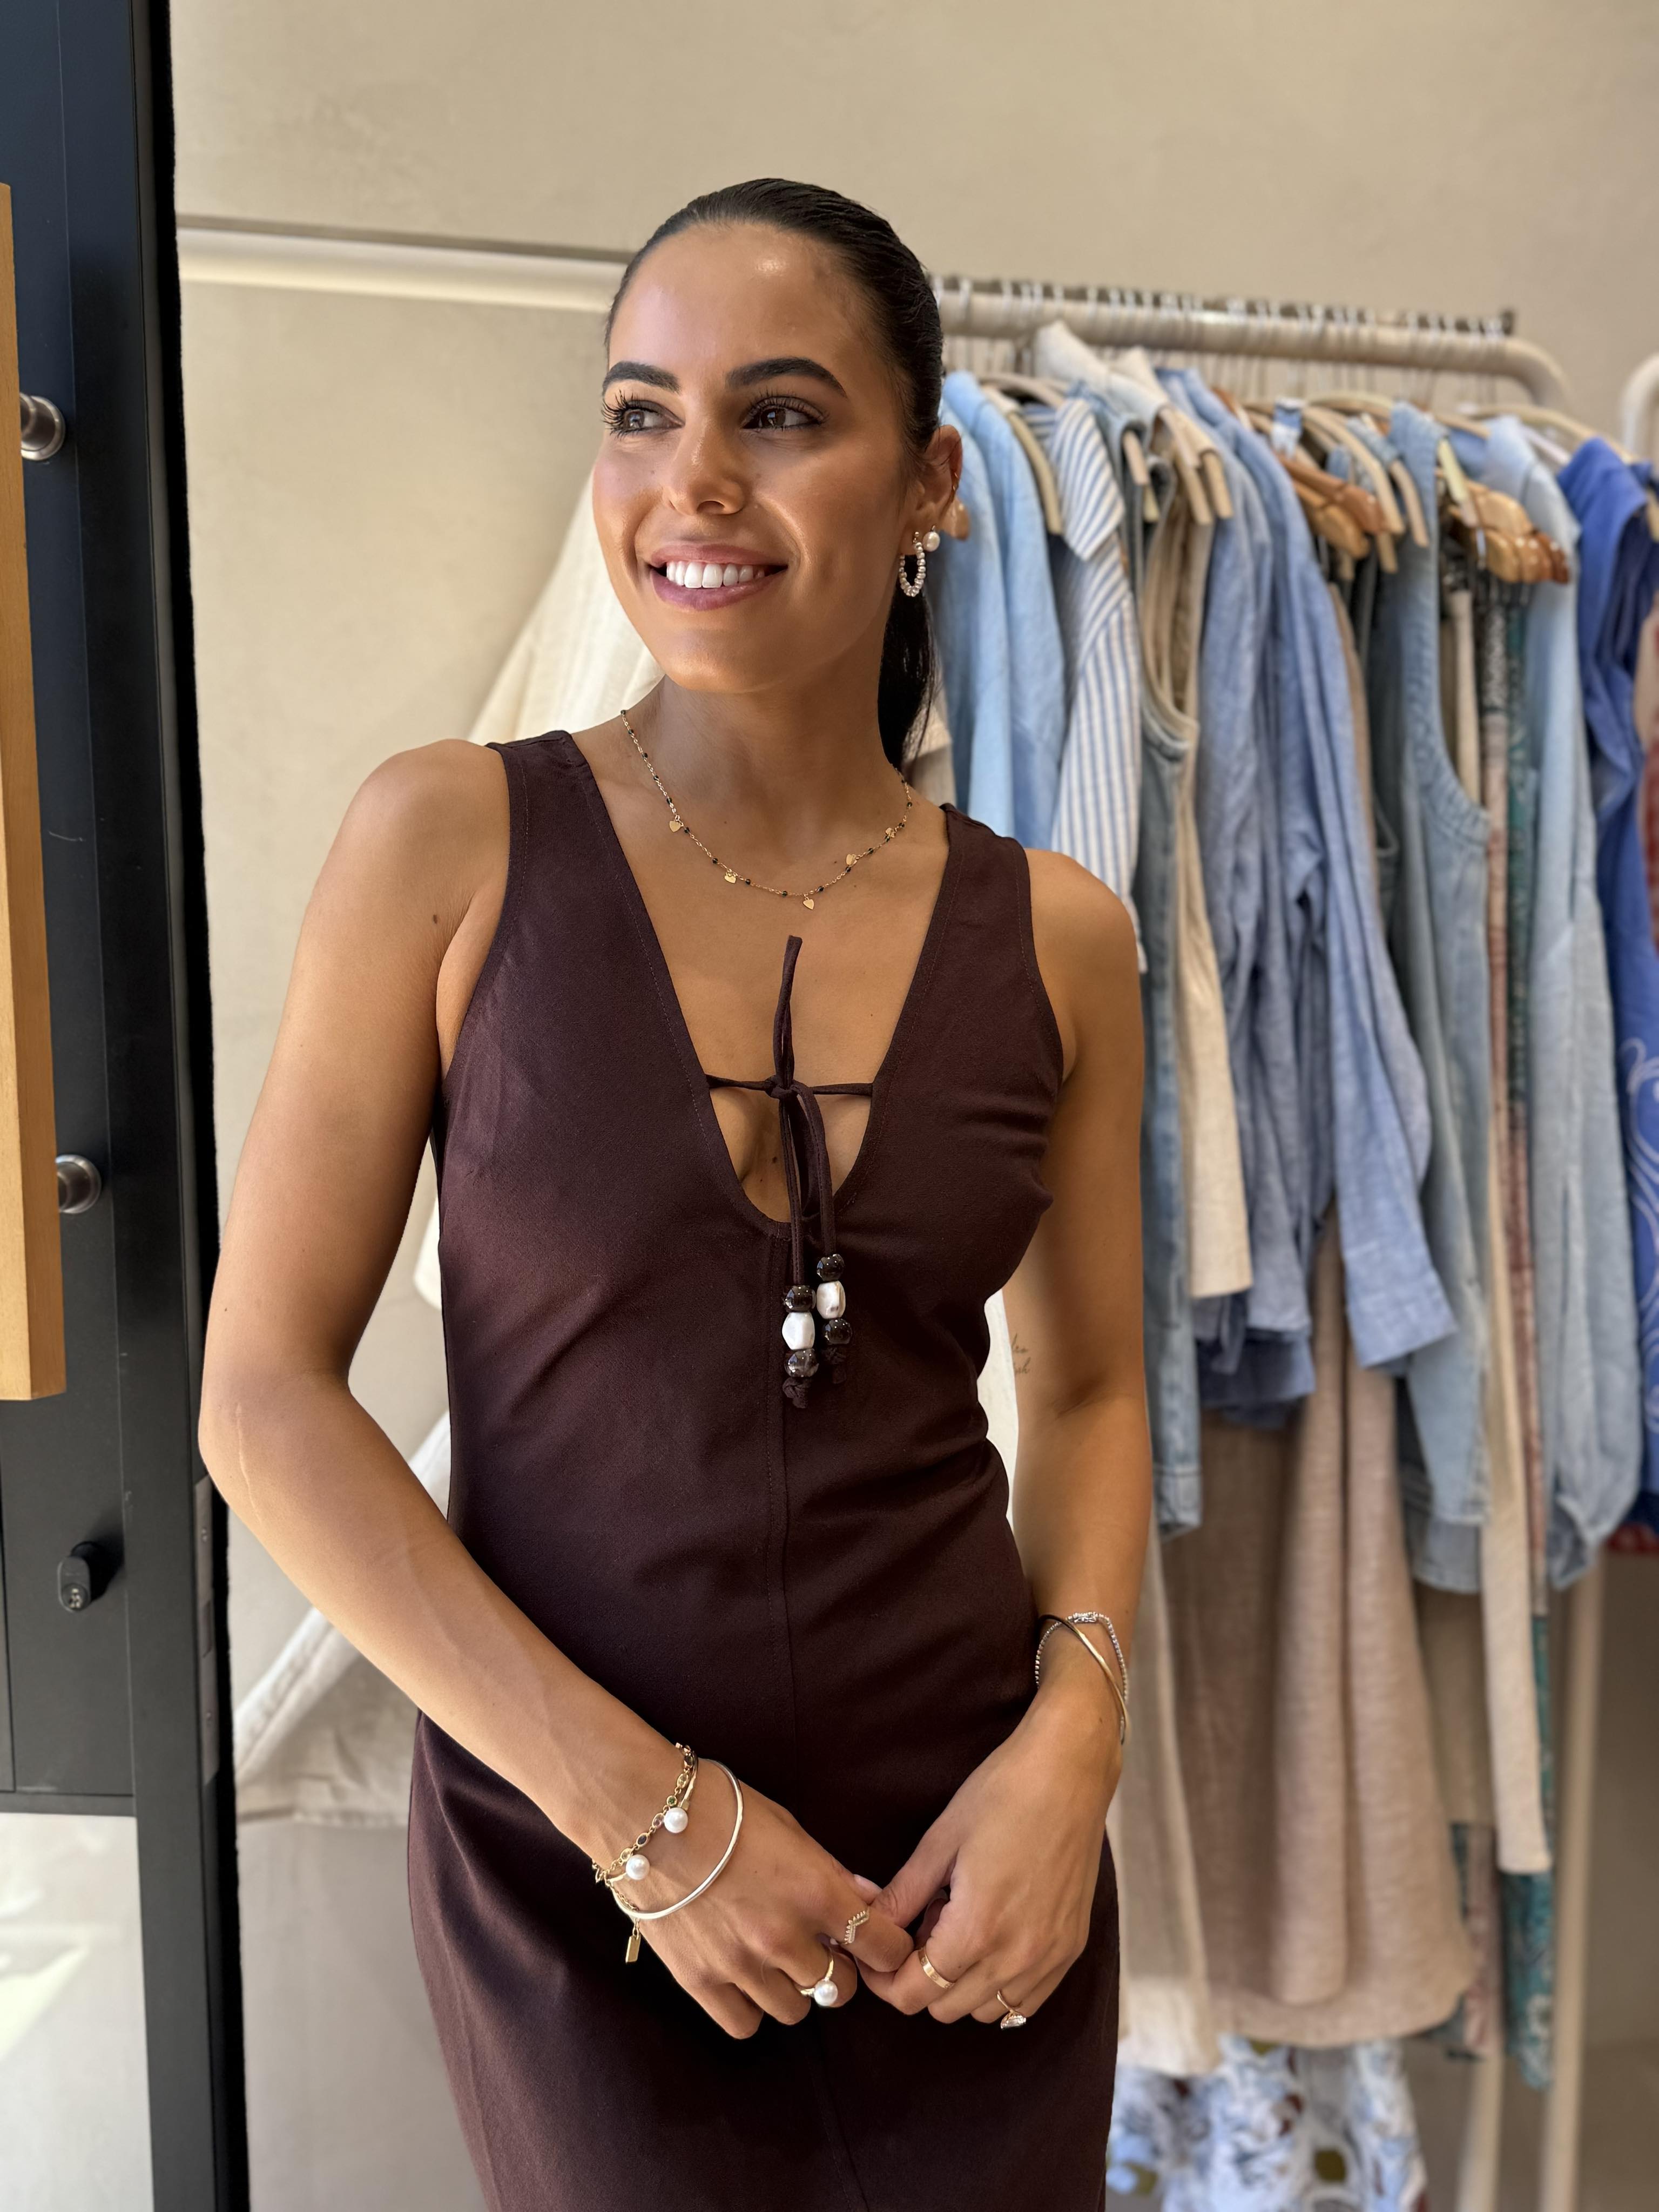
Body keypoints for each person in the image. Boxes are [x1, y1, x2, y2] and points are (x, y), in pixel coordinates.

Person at [200, 176, 1151, 2212]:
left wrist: (1075, 1739)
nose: (693, 480)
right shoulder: (447, 844)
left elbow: (1086, 1394)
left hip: (965, 1875)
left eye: (780, 414)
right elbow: (261, 1401)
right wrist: (641, 1817)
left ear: (932, 487)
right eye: (643, 413)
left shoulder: (1063, 939)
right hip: (583, 1875)